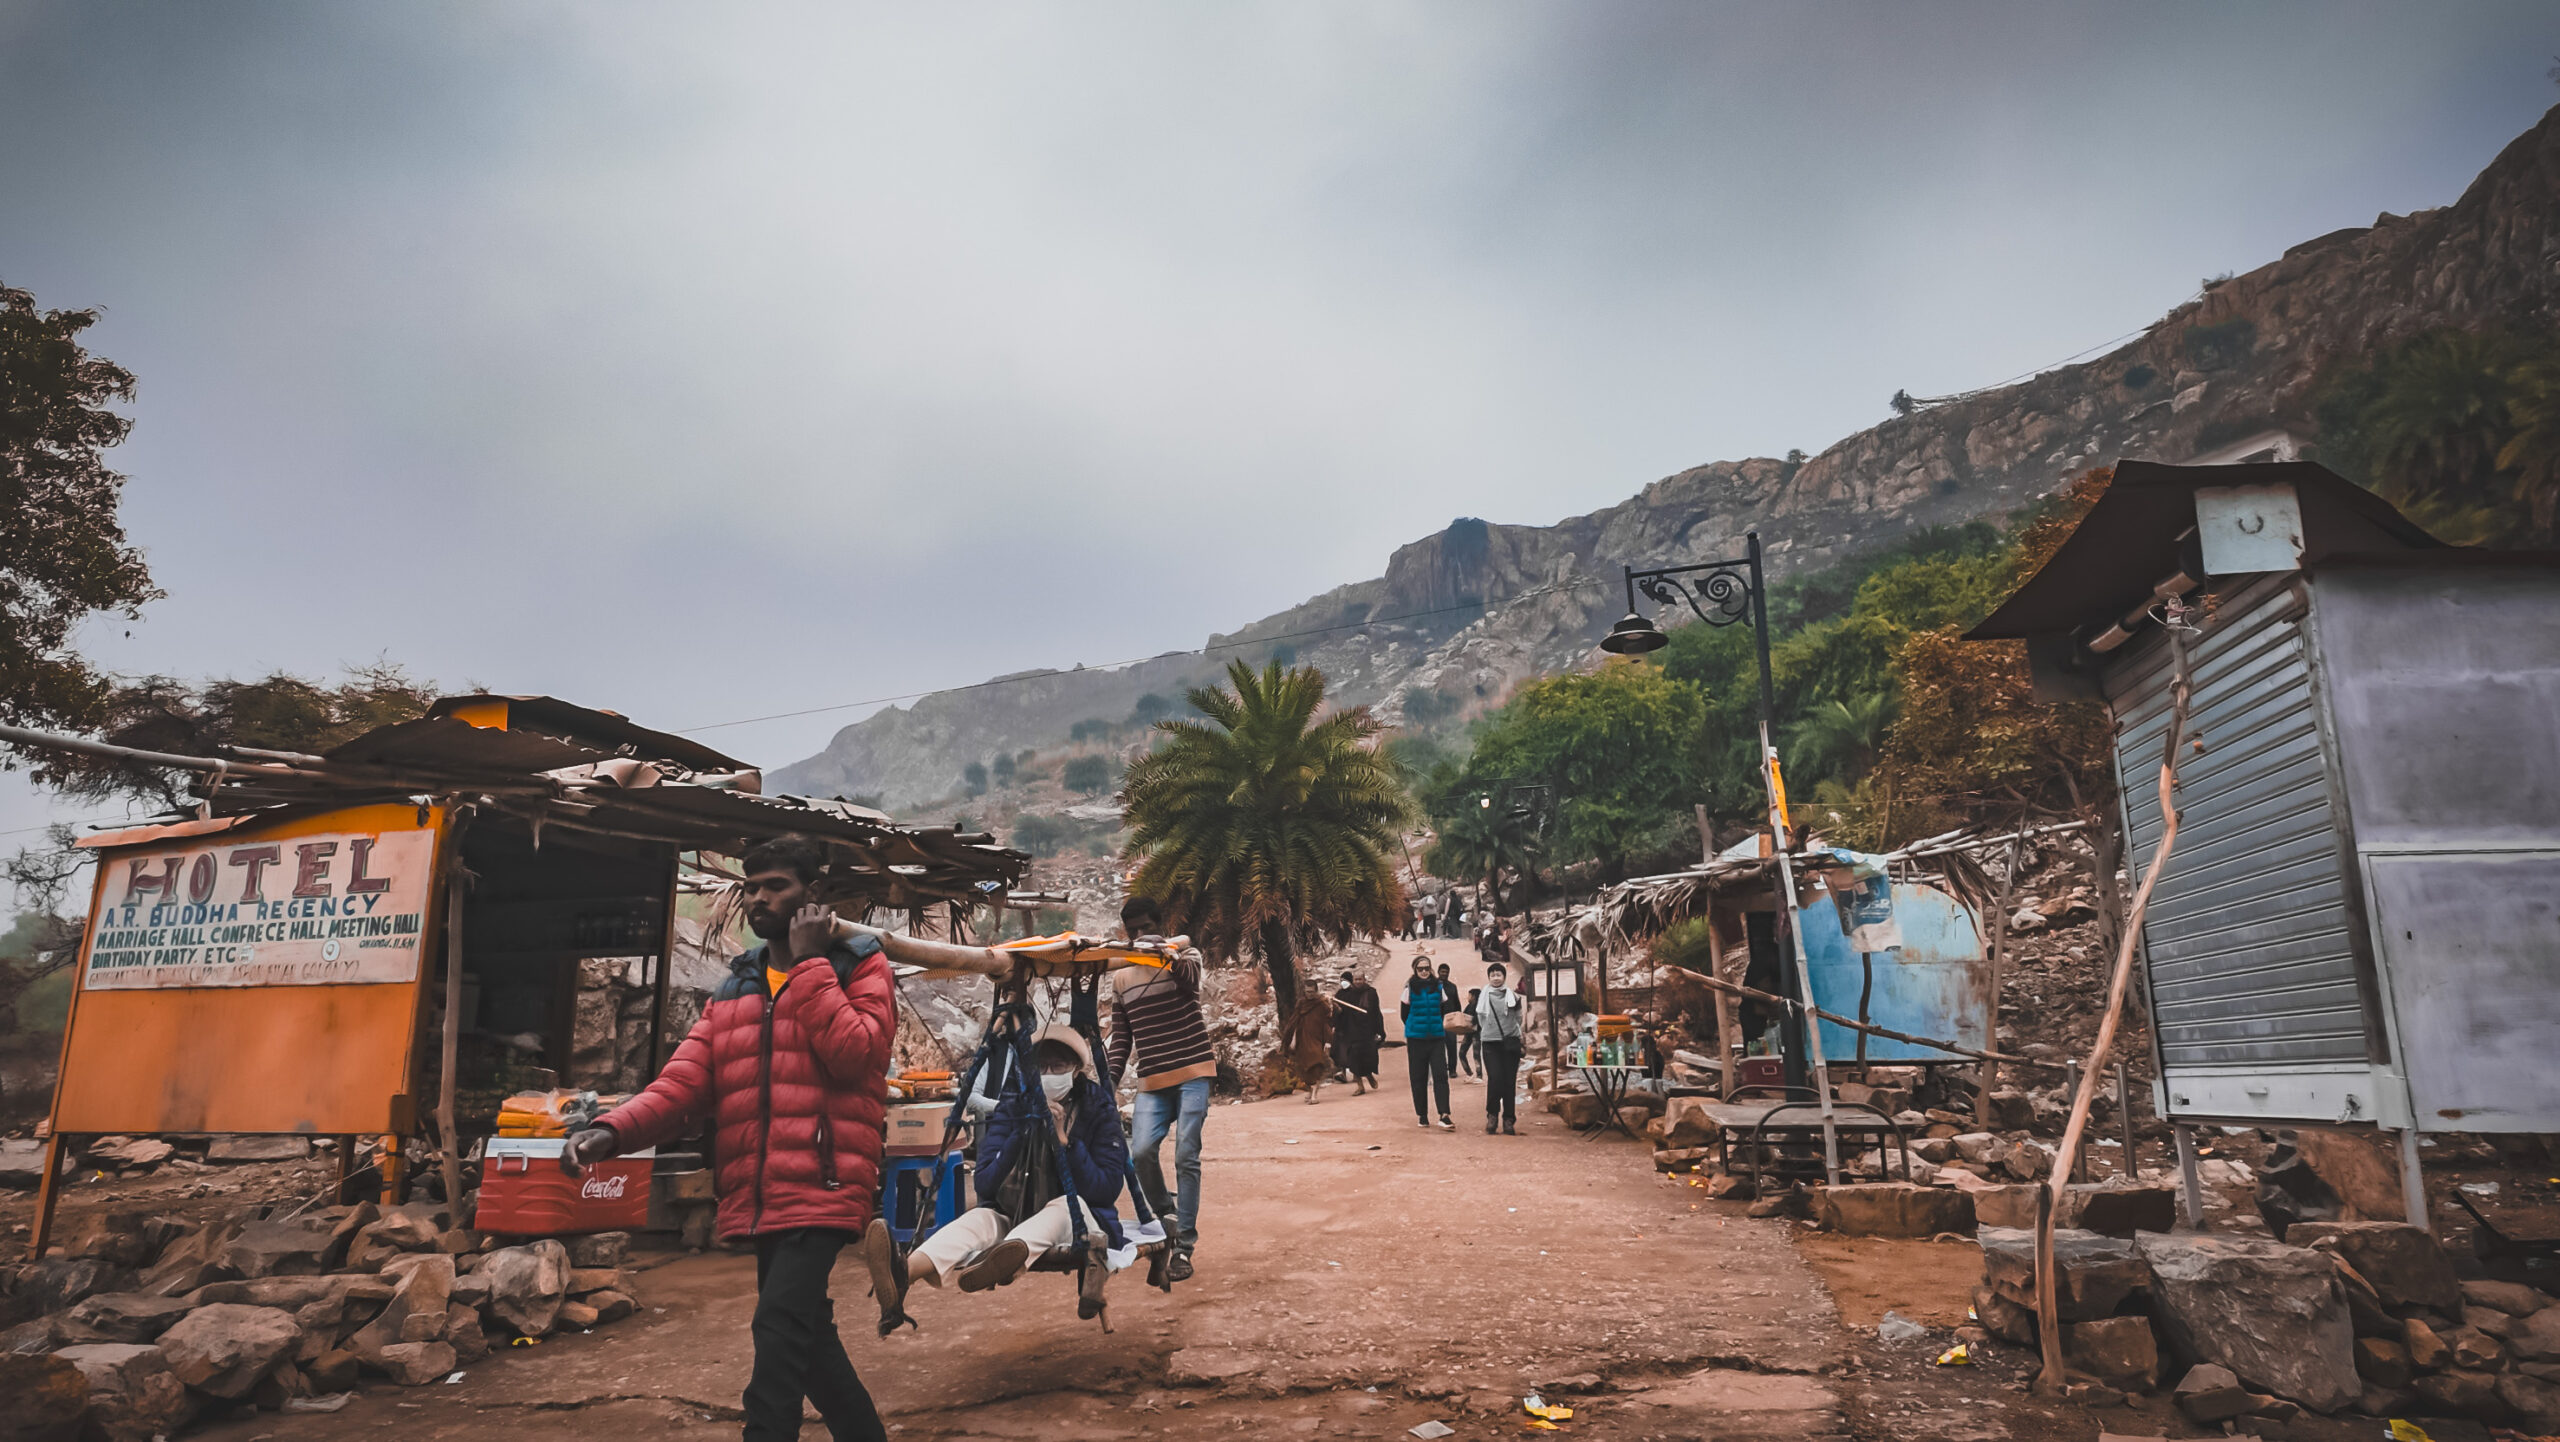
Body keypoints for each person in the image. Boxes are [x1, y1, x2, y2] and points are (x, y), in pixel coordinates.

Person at [565, 836, 892, 1442]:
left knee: (776, 1329)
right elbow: (685, 1082)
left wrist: (810, 963)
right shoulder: (736, 987)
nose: (760, 897)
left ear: (813, 894)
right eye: (753, 886)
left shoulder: (858, 966)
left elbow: (856, 1055)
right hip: (756, 1191)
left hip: (823, 1181)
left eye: (778, 885)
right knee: (804, 1335)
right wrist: (610, 1131)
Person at [861, 1028, 1122, 1325]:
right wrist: (1021, 1134)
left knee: (1063, 1206)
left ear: (1076, 1071)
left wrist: (1065, 1143)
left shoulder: (1098, 1107)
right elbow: (985, 1183)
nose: (1049, 1074)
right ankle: (903, 1274)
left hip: (1082, 1221)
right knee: (979, 1220)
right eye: (1041, 1066)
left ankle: (998, 1260)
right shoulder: (1014, 1108)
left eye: (1058, 1067)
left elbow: (1106, 1189)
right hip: (1016, 1212)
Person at [1107, 896, 1212, 1282]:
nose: (1138, 935)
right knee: (1141, 1154)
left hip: (1194, 1071)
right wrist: (1109, 1084)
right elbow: (1121, 1041)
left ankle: (1183, 1245)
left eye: (1145, 928)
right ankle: (1168, 1213)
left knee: (1187, 1154)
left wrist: (1164, 952)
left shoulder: (1187, 957)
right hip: (1152, 1079)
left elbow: (1189, 980)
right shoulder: (1121, 978)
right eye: (1132, 930)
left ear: (1159, 925)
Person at [1400, 955, 1454, 1129]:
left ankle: (1444, 1114)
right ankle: (1422, 1115)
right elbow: (1404, 1014)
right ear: (1415, 970)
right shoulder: (1409, 988)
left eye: (1426, 968)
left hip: (1436, 1037)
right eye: (1420, 969)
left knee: (1440, 1075)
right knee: (1418, 1077)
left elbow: (1445, 1009)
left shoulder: (1439, 987)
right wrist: (1415, 1027)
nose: (1424, 971)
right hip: (1416, 1038)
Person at [1475, 961, 1527, 1135]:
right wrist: (1491, 1030)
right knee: (1495, 1078)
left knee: (1509, 1082)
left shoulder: (1513, 996)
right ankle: (1492, 1115)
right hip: (1490, 1042)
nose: (1496, 978)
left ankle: (1508, 1119)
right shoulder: (1484, 996)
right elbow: (1481, 1019)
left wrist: (1510, 1031)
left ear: (1504, 977)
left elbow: (1518, 1019)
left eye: (1499, 974)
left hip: (1510, 1042)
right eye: (1493, 975)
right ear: (1488, 977)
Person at [1330, 968, 1382, 1094]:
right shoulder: (1347, 993)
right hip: (1352, 1030)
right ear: (1352, 980)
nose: (1358, 982)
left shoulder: (1371, 993)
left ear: (1364, 980)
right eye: (1355, 979)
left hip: (1367, 1030)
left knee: (1367, 1057)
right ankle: (1360, 1086)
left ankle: (1369, 1075)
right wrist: (1337, 1008)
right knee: (1353, 1058)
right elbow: (1341, 1012)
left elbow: (1376, 1012)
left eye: (1360, 979)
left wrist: (1379, 1030)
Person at [1434, 962, 1465, 1078]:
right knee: (1438, 1048)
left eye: (1446, 972)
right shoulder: (1433, 986)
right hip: (1437, 1020)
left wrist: (1458, 1019)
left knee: (1452, 1046)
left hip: (1450, 1020)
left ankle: (1452, 1069)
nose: (1444, 974)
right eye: (1442, 972)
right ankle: (1441, 1069)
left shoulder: (1452, 987)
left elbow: (1457, 1004)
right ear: (1438, 972)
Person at [1453, 985, 1482, 1079]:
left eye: (1469, 995)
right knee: (1462, 1053)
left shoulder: (1479, 1006)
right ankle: (1470, 1073)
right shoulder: (1469, 1006)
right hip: (1468, 1033)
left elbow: (1477, 1020)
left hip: (1476, 1034)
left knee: (1475, 1055)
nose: (1468, 997)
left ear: (1473, 995)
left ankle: (1479, 1075)